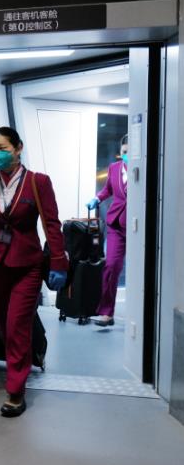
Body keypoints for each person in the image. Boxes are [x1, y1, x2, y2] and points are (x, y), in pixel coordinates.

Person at [0, 126, 68, 417]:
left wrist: (59, 262)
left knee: (17, 326)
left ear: (18, 147)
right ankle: (23, 360)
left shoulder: (38, 182)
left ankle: (15, 390)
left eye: (2, 148)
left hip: (27, 265)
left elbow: (52, 224)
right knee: (3, 325)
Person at [86, 136, 128, 327]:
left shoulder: (145, 169)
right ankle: (106, 312)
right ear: (120, 152)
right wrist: (97, 198)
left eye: (131, 152)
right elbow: (108, 190)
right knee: (111, 266)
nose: (127, 155)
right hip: (116, 224)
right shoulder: (114, 168)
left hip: (138, 227)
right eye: (124, 152)